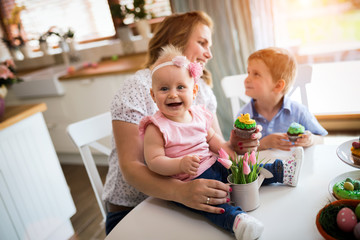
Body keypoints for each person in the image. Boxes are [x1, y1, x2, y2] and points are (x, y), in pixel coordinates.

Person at [102, 11, 261, 235]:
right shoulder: (137, 87)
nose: (209, 54)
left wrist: (236, 144)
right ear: (175, 39)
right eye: (202, 42)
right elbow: (131, 168)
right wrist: (181, 192)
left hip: (189, 200)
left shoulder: (202, 90)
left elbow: (215, 148)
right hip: (134, 209)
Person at [139, 45, 303, 240]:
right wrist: (179, 164)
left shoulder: (198, 115)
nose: (173, 94)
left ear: (194, 91)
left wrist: (232, 152)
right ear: (153, 95)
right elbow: (154, 161)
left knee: (246, 171)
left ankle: (282, 171)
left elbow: (214, 140)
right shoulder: (156, 127)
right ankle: (238, 222)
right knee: (213, 206)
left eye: (180, 87)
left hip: (216, 163)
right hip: (191, 182)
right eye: (164, 89)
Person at [237, 47, 328, 151]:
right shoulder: (243, 117)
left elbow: (321, 139)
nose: (247, 79)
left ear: (278, 86)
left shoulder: (299, 112)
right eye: (248, 72)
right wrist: (264, 143)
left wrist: (310, 140)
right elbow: (239, 150)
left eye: (256, 74)